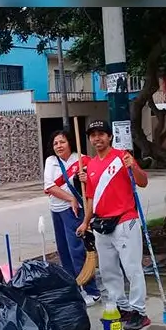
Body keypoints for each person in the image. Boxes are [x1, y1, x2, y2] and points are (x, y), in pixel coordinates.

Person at [77, 120, 151, 330]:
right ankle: (122, 307)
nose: (97, 138)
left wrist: (132, 168)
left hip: (125, 221)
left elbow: (143, 181)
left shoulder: (122, 157)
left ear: (109, 136)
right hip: (101, 224)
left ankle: (139, 312)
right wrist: (85, 222)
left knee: (132, 268)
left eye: (101, 134)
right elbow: (91, 198)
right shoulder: (90, 165)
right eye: (93, 135)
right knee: (108, 270)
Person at [42, 130, 101, 305]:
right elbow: (49, 186)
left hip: (74, 212)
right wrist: (70, 198)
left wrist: (85, 178)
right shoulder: (51, 161)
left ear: (70, 143)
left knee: (77, 250)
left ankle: (92, 290)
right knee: (64, 251)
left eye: (62, 142)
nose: (59, 146)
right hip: (57, 210)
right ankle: (73, 288)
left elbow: (93, 183)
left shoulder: (82, 159)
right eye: (55, 143)